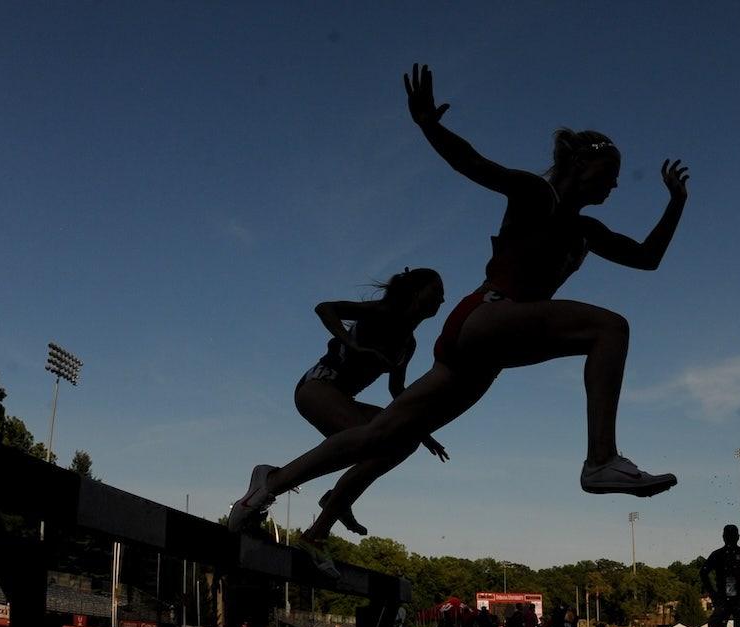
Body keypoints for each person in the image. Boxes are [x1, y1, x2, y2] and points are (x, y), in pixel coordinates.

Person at [229, 65, 691, 574]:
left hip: (479, 356)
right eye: (610, 173)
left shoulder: (588, 231)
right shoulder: (539, 195)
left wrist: (676, 203)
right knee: (609, 328)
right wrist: (430, 126)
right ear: (581, 163)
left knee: (385, 436)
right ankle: (601, 458)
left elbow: (647, 258)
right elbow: (473, 164)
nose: (616, 184)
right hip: (487, 317)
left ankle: (267, 486)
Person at [293, 268, 449, 543]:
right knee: (377, 444)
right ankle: (326, 501)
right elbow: (325, 308)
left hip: (343, 398)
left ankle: (324, 520)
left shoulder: (409, 344)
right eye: (437, 291)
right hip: (318, 385)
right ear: (416, 291)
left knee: (405, 440)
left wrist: (423, 432)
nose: (442, 299)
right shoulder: (382, 313)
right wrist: (350, 343)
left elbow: (396, 390)